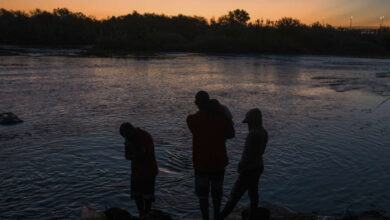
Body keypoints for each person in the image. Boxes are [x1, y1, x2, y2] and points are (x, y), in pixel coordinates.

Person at [187, 91, 235, 220]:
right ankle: (217, 217)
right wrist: (224, 112)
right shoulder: (221, 118)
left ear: (198, 103)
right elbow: (231, 134)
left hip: (201, 163)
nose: (194, 102)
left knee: (203, 196)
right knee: (217, 195)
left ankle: (205, 218)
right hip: (218, 162)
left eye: (196, 100)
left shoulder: (191, 120)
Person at [220, 108, 268, 220]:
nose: (247, 125)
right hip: (259, 166)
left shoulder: (252, 134)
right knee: (253, 194)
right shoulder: (263, 131)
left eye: (248, 121)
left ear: (252, 121)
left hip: (249, 169)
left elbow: (248, 155)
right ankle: (253, 215)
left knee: (234, 196)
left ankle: (220, 217)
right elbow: (260, 152)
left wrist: (241, 166)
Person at [119, 122, 158, 217]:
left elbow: (144, 155)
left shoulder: (145, 137)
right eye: (124, 137)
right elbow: (128, 156)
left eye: (126, 135)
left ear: (131, 131)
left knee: (147, 197)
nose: (126, 138)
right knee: (137, 195)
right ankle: (141, 214)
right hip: (136, 172)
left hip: (149, 171)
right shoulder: (129, 138)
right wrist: (135, 155)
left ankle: (147, 214)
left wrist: (135, 154)